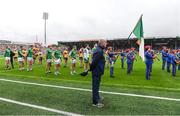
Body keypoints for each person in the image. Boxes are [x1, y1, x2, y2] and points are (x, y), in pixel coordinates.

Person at [90, 39, 107, 108]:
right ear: (102, 44)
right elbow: (94, 62)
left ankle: (97, 97)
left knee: (97, 86)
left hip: (98, 71)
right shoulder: (99, 51)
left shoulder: (99, 50)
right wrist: (90, 69)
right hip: (96, 71)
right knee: (95, 86)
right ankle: (95, 102)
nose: (106, 45)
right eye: (105, 43)